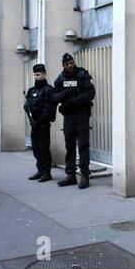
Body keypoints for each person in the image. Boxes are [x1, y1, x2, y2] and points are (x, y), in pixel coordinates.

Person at [53, 53, 95, 189]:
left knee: (83, 146)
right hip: (69, 117)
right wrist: (65, 94)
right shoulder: (60, 79)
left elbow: (90, 94)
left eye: (71, 62)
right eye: (67, 64)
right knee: (69, 146)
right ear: (63, 65)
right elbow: (54, 97)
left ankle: (84, 175)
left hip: (81, 115)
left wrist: (73, 102)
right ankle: (71, 175)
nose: (70, 65)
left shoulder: (83, 75)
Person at [24, 64, 57, 183]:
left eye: (38, 75)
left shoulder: (49, 90)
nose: (36, 77)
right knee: (36, 149)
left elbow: (49, 109)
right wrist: (28, 111)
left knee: (44, 149)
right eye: (34, 75)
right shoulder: (31, 90)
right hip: (34, 125)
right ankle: (40, 170)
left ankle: (47, 172)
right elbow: (27, 105)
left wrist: (39, 121)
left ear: (44, 74)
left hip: (43, 125)